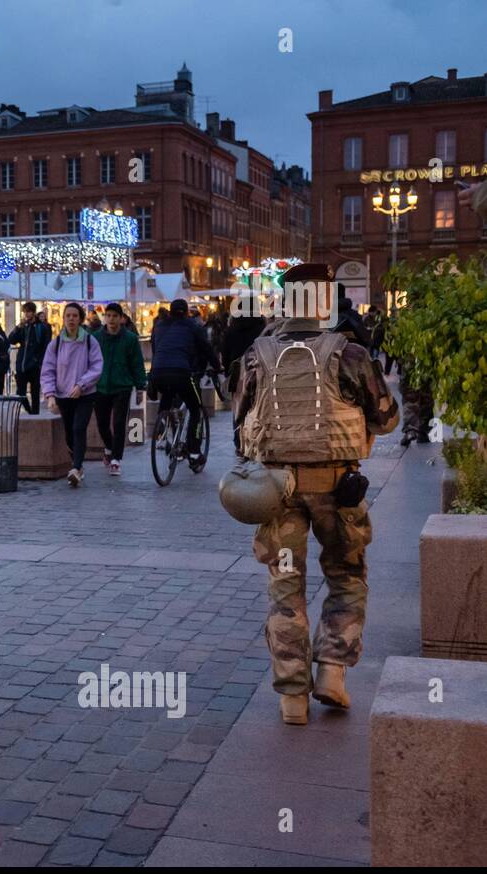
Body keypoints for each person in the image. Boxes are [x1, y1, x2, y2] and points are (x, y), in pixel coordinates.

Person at [230, 263, 397, 726]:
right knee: (346, 575)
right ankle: (332, 674)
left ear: (286, 302)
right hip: (337, 492)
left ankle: (291, 698)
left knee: (285, 590)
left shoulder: (255, 354)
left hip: (276, 492)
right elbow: (386, 419)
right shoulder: (351, 354)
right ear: (325, 301)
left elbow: (238, 419)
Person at [148, 298, 222, 461]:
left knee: (167, 397)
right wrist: (217, 366)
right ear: (187, 312)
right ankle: (194, 452)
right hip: (182, 372)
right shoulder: (193, 326)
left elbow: (155, 348)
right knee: (196, 408)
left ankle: (162, 425)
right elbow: (206, 348)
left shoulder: (159, 325)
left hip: (158, 373)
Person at [41, 302, 103, 487]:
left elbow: (97, 366)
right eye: (68, 315)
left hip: (85, 394)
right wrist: (50, 394)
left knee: (78, 428)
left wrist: (82, 384)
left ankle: (76, 467)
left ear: (81, 319)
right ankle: (77, 465)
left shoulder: (90, 341)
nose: (71, 319)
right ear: (63, 318)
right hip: (63, 394)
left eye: (75, 316)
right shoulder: (56, 343)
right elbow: (47, 370)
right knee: (69, 431)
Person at [92, 303, 147, 476]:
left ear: (121, 318)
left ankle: (116, 459)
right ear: (104, 317)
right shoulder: (95, 337)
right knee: (101, 423)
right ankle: (109, 447)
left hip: (122, 386)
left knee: (119, 422)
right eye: (108, 315)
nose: (111, 319)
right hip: (100, 386)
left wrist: (140, 387)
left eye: (115, 316)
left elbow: (137, 363)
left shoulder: (130, 338)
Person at [9, 301, 52, 413]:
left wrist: (40, 362)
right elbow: (11, 340)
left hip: (35, 366)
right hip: (22, 366)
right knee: (20, 394)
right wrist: (18, 327)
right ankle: (30, 412)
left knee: (35, 393)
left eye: (28, 312)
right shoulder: (24, 327)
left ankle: (35, 415)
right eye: (24, 312)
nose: (26, 314)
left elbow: (46, 346)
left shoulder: (41, 328)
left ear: (33, 312)